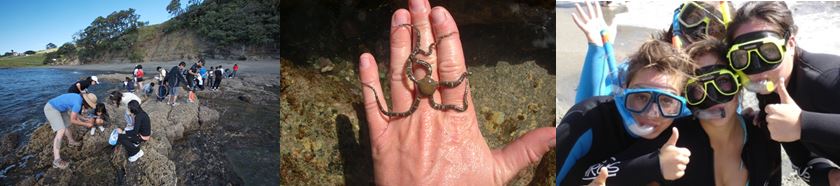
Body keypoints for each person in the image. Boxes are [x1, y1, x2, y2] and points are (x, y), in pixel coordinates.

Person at [357, 0, 555, 184]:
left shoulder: (422, 82)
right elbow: (455, 99)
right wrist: (462, 80)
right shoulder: (428, 88)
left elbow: (411, 75)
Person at [725, 2, 840, 185]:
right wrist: (830, 178)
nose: (756, 68)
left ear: (791, 43)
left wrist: (803, 123)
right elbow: (803, 161)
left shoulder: (831, 78)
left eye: (769, 52)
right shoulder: (772, 91)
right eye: (741, 58)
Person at [556, 39, 696, 185]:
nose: (651, 113)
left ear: (681, 104)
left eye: (666, 101)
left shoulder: (685, 128)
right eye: (641, 97)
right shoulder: (587, 119)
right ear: (623, 91)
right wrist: (653, 165)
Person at [573, 1, 734, 103]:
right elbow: (587, 110)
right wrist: (598, 50)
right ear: (677, 24)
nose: (699, 31)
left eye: (714, 29)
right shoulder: (645, 66)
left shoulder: (723, 82)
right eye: (693, 17)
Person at [43, 93, 97, 169]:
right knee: (61, 130)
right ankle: (56, 160)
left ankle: (71, 142)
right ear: (86, 102)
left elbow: (74, 112)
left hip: (61, 109)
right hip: (51, 108)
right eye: (89, 105)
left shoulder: (78, 99)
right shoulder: (78, 103)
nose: (88, 107)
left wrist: (85, 119)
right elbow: (73, 120)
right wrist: (85, 124)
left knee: (67, 125)